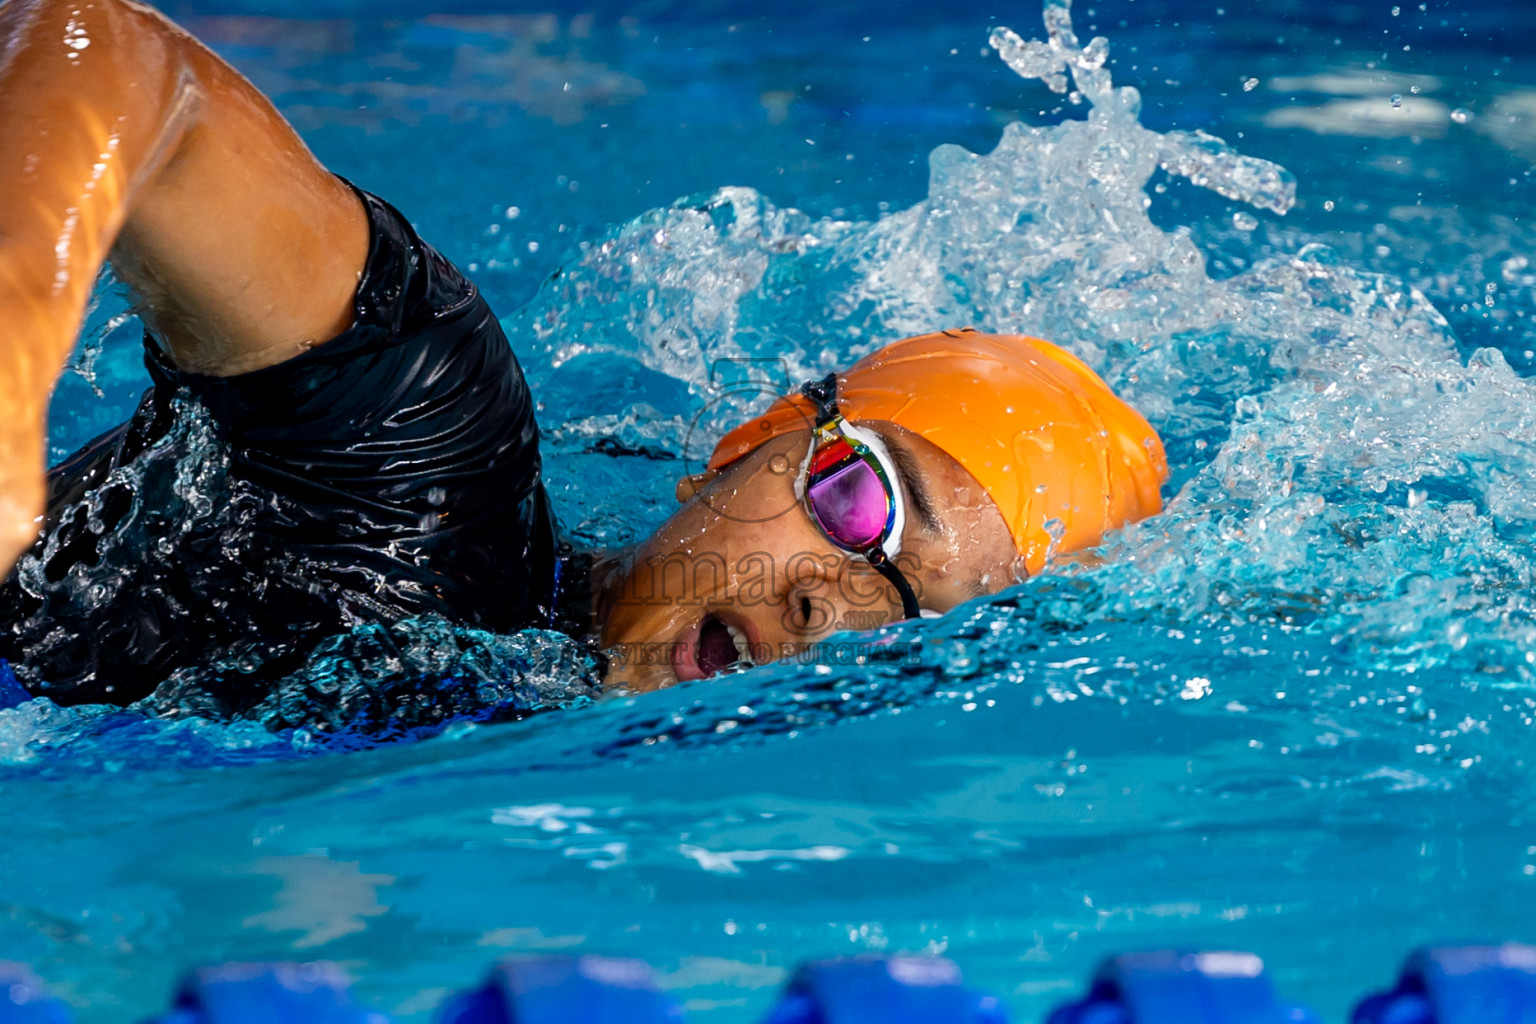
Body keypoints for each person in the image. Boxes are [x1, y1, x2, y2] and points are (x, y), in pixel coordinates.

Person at [0, 0, 1168, 718]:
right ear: (752, 438)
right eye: (858, 500)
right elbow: (108, 52)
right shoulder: (422, 464)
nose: (833, 602)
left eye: (913, 621)